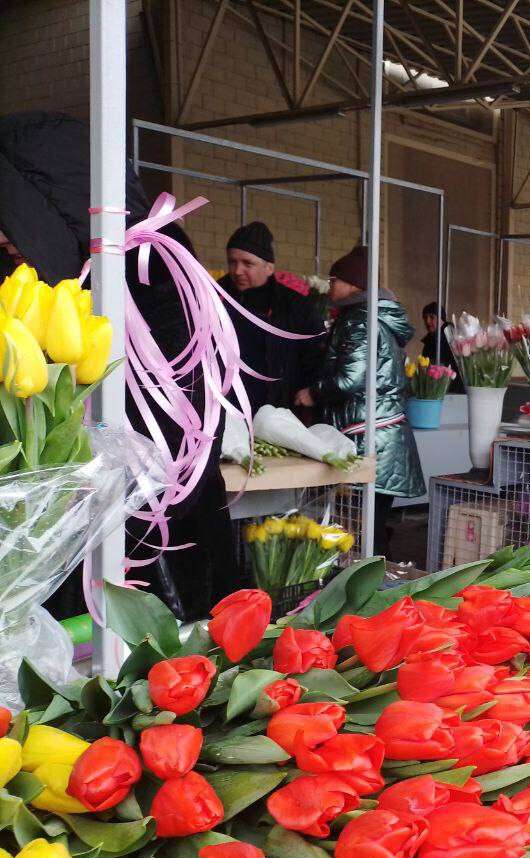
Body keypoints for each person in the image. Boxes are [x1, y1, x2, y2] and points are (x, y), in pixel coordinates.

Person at [0, 111, 235, 620]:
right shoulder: (62, 276)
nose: (6, 244)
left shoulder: (149, 273)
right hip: (87, 537)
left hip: (146, 547)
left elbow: (174, 437)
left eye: (11, 228)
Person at [295, 246, 426, 557]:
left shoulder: (361, 321)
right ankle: (374, 583)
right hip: (381, 433)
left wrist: (312, 393)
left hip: (371, 437)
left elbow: (350, 378)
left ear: (354, 285)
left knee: (365, 527)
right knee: (371, 523)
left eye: (335, 279)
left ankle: (371, 588)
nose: (331, 287)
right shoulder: (374, 317)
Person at [217, 222, 325, 414]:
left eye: (247, 263)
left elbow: (315, 356)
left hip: (279, 410)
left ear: (269, 267)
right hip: (224, 406)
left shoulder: (295, 306)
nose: (237, 270)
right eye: (232, 262)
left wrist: (312, 392)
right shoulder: (213, 297)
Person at [419, 302, 462, 394]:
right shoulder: (430, 340)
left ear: (441, 319)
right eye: (425, 318)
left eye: (431, 317)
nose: (427, 321)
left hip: (453, 391)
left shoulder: (451, 338)